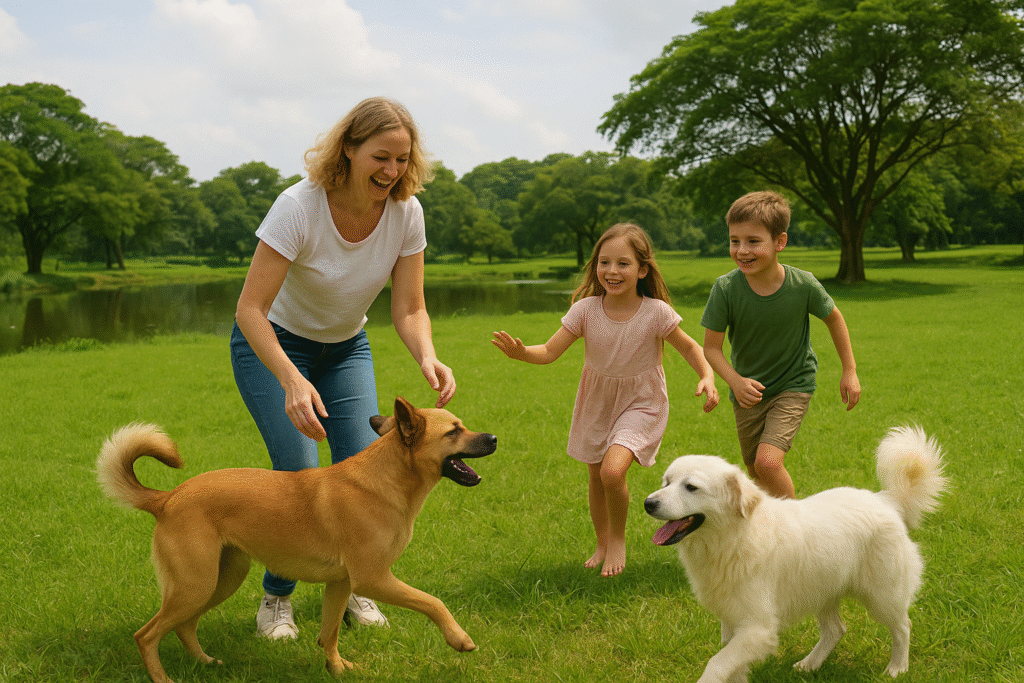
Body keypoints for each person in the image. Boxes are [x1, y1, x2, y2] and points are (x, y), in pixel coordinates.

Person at [230, 97, 455, 640]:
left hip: (346, 347)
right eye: (381, 157)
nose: (392, 171)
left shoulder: (406, 213)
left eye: (402, 160)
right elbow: (250, 309)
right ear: (349, 150)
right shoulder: (299, 207)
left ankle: (357, 585)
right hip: (275, 345)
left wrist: (426, 352)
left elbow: (409, 308)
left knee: (363, 468)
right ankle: (276, 600)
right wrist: (290, 379)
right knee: (298, 470)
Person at [492, 223, 718, 578]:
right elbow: (550, 351)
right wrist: (523, 353)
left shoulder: (656, 312)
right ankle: (601, 542)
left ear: (642, 270)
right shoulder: (585, 310)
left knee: (613, 472)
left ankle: (617, 540)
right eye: (604, 262)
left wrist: (706, 375)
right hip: (596, 402)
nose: (612, 272)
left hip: (642, 402)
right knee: (596, 476)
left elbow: (690, 346)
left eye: (623, 264)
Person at [701, 190, 861, 500]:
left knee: (768, 463)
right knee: (755, 469)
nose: (742, 250)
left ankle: (798, 532)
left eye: (753, 241)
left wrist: (849, 371)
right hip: (748, 392)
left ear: (780, 242)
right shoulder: (725, 289)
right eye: (735, 240)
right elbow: (712, 348)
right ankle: (767, 537)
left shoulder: (803, 285)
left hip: (793, 384)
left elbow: (835, 319)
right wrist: (735, 381)